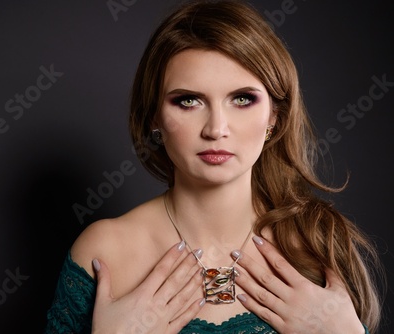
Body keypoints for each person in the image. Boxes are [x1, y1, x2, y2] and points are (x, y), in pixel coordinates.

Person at [44, 0, 384, 333]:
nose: (216, 128)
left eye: (242, 99)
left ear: (274, 117)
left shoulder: (317, 242)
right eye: (188, 101)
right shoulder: (105, 252)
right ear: (154, 119)